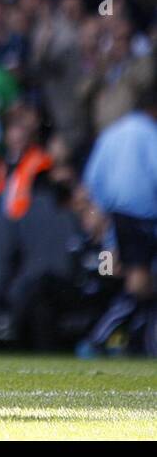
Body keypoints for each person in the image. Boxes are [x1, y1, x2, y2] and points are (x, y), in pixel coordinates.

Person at [79, 85, 157, 356]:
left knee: (144, 287)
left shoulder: (111, 134)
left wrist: (101, 224)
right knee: (140, 284)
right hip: (143, 218)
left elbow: (92, 182)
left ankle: (144, 345)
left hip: (116, 219)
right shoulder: (150, 134)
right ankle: (99, 339)